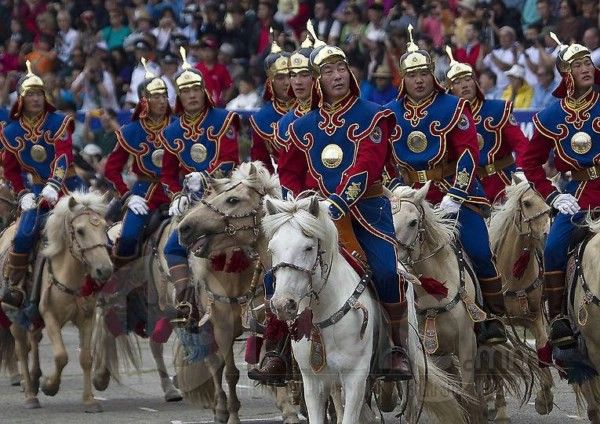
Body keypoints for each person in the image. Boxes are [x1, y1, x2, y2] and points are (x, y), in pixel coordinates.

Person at [275, 28, 412, 381]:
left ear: (350, 73)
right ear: (318, 80)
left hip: (366, 211)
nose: (336, 77)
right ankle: (275, 349)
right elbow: (289, 172)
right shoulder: (301, 125)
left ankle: (397, 347)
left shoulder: (374, 115)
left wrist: (336, 205)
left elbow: (365, 168)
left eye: (341, 69)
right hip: (315, 214)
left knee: (385, 270)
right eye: (327, 72)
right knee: (280, 268)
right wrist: (302, 200)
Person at [386, 26, 507, 345]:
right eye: (412, 75)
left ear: (433, 75)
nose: (419, 80)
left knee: (480, 251)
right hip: (408, 199)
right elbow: (384, 162)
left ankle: (493, 318)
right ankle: (389, 324)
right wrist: (396, 191)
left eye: (424, 73)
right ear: (403, 79)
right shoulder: (389, 113)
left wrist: (456, 194)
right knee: (386, 258)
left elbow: (469, 154)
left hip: (455, 195)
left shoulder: (454, 107)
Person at [247, 30, 318, 385]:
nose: (293, 82)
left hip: (335, 200)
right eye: (288, 76)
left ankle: (397, 339)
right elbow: (263, 163)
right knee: (276, 268)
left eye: (301, 75)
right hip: (287, 200)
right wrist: (281, 194)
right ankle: (274, 347)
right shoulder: (276, 120)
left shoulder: (336, 112)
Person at [521, 35, 600, 349]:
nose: (586, 69)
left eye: (587, 63)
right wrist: (553, 196)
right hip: (578, 193)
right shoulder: (550, 116)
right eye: (577, 65)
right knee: (553, 248)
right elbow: (530, 162)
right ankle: (559, 320)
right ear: (566, 74)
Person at [161, 48, 240, 322]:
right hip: (192, 202)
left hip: (225, 195)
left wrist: (206, 177)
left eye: (196, 89)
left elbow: (231, 160)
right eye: (186, 91)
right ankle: (186, 302)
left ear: (204, 91)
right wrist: (175, 195)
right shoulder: (171, 132)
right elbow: (168, 174)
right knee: (172, 248)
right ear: (179, 97)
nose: (192, 95)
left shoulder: (223, 119)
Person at [0, 61, 86, 308]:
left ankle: (106, 283)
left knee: (95, 224)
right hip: (37, 189)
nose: (36, 99)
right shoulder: (11, 131)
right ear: (21, 99)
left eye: (39, 94)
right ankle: (15, 285)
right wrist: (23, 192)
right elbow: (12, 171)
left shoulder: (58, 122)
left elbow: (63, 155)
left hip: (69, 185)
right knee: (25, 232)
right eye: (30, 95)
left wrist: (54, 184)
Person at [104, 59, 172, 270]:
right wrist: (127, 195)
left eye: (164, 96)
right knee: (128, 238)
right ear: (144, 100)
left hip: (179, 190)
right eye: (156, 96)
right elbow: (111, 170)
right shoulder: (130, 131)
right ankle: (121, 288)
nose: (162, 101)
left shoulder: (181, 125)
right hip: (144, 193)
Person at [445, 48, 528, 203]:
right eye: (457, 82)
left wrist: (522, 170)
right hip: (469, 186)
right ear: (450, 89)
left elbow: (521, 144)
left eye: (468, 79)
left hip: (504, 181)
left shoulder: (498, 109)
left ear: (476, 82)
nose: (464, 85)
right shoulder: (447, 118)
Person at [248, 38, 291, 174]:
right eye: (280, 78)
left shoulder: (314, 109)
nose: (287, 82)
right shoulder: (260, 119)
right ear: (270, 83)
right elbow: (261, 164)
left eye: (291, 75)